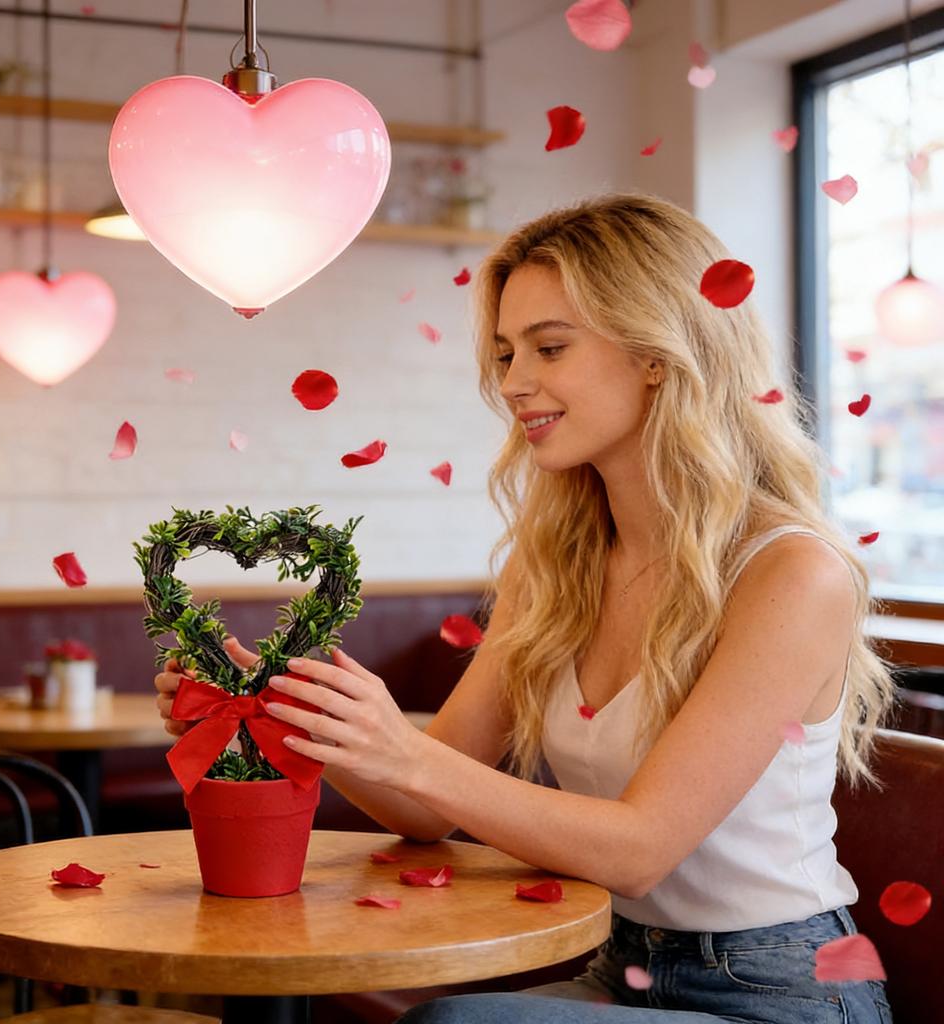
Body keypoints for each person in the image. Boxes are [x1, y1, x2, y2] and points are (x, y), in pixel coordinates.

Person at [154, 194, 898, 1024]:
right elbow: (424, 809)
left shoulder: (793, 572)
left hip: (780, 990)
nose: (513, 383)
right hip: (618, 966)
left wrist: (404, 750)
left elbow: (641, 849)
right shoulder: (555, 567)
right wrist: (284, 709)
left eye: (549, 347)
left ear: (658, 353)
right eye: (507, 353)